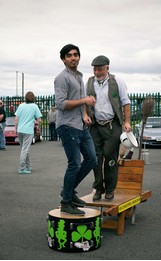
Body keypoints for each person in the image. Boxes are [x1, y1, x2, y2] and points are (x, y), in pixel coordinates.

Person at [54, 43, 97, 215]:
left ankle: (69, 191)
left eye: (76, 55)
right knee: (74, 164)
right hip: (67, 126)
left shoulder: (79, 76)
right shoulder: (62, 78)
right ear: (64, 59)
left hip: (80, 124)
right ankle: (66, 202)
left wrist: (85, 113)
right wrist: (85, 101)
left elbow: (81, 99)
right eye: (69, 55)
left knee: (92, 159)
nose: (73, 58)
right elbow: (61, 104)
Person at [84, 55, 131, 201]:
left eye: (100, 69)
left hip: (113, 125)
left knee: (109, 155)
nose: (97, 72)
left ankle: (110, 189)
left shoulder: (117, 81)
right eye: (95, 69)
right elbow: (86, 101)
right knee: (95, 158)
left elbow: (125, 102)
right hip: (95, 125)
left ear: (107, 68)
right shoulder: (90, 82)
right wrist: (85, 114)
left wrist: (127, 122)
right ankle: (98, 188)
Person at [14, 91, 42, 174]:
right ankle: (22, 168)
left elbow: (16, 119)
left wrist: (15, 129)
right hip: (28, 131)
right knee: (25, 149)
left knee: (24, 149)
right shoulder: (34, 106)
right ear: (33, 98)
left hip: (20, 130)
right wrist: (38, 127)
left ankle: (28, 165)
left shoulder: (21, 106)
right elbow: (39, 120)